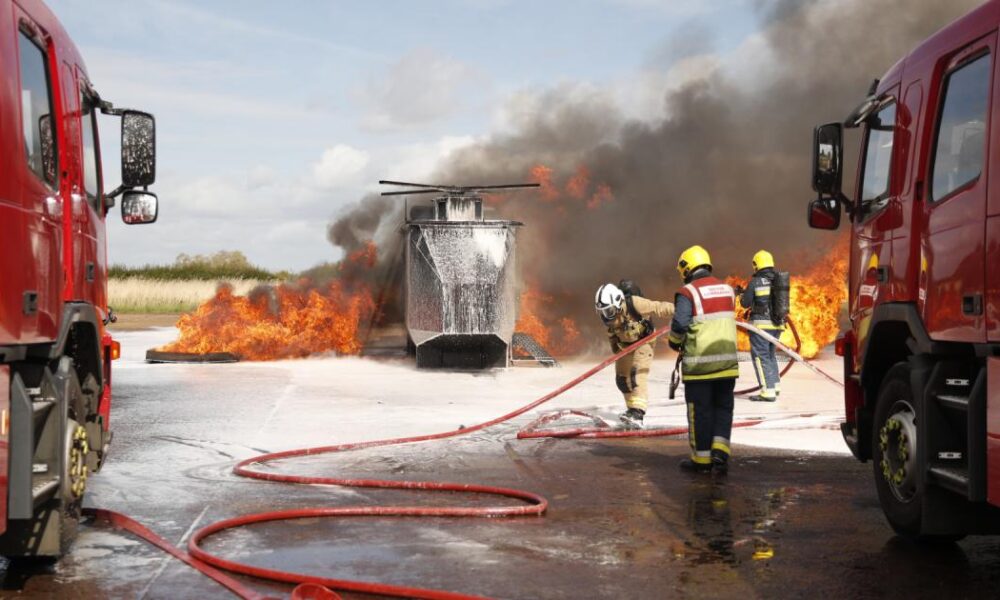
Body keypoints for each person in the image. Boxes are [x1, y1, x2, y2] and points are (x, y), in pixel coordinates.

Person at [667, 245, 739, 473]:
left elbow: (680, 324)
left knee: (700, 412)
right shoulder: (728, 290)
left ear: (686, 267)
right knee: (723, 408)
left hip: (700, 367)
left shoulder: (688, 292)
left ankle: (701, 460)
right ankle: (720, 453)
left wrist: (674, 342)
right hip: (727, 365)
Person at [594, 281, 675, 430]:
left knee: (637, 375)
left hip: (644, 342)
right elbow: (613, 336)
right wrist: (616, 353)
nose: (607, 316)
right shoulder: (612, 321)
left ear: (618, 302)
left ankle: (638, 413)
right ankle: (631, 409)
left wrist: (681, 311)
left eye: (609, 311)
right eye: (603, 312)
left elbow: (659, 307)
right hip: (625, 346)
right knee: (622, 380)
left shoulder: (635, 304)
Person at [737, 250, 784, 402]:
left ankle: (767, 391)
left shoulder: (756, 281)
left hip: (760, 326)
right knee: (770, 355)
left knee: (760, 356)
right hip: (777, 326)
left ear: (757, 265)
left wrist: (741, 295)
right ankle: (775, 386)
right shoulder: (778, 280)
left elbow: (745, 304)